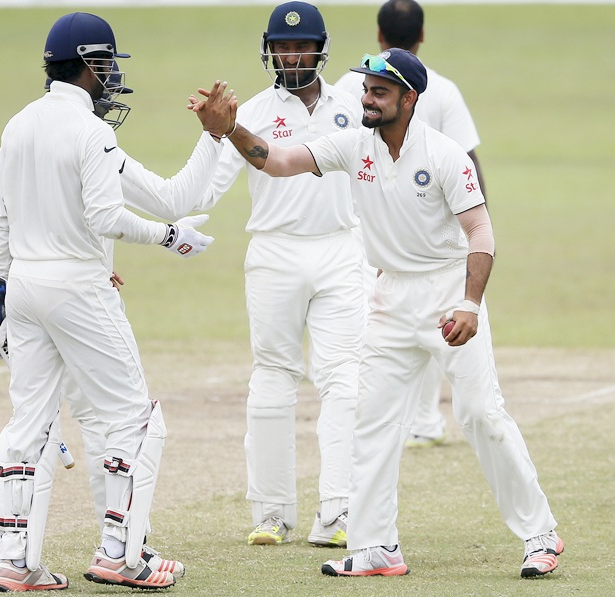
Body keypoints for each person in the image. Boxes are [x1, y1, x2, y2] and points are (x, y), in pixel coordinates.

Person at [196, 48, 562, 579]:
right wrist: (231, 130)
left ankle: (540, 536)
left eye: (380, 92)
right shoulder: (353, 145)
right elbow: (277, 161)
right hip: (389, 297)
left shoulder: (445, 155)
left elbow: (480, 234)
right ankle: (376, 546)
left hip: (446, 293)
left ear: (409, 99)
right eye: (367, 89)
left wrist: (470, 304)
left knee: (481, 414)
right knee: (373, 422)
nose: (367, 98)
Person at [0, 12, 235, 592]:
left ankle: (17, 565)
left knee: (29, 427)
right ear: (90, 63)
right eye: (110, 63)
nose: (115, 75)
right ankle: (122, 554)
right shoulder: (92, 132)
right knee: (137, 423)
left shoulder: (18, 126)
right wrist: (168, 239)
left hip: (23, 287)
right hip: (76, 287)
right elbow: (104, 218)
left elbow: (174, 197)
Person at [190, 1, 365, 548]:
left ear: (321, 49)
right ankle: (272, 514)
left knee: (343, 380)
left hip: (342, 249)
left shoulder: (355, 105)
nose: (291, 55)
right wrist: (168, 232)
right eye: (282, 46)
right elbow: (205, 189)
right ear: (270, 51)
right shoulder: (253, 113)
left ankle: (336, 512)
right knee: (272, 378)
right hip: (274, 252)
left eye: (301, 46)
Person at [334, 0, 488, 448]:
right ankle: (421, 420)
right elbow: (471, 161)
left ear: (379, 36)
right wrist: (480, 230)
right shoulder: (442, 88)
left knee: (394, 325)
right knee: (411, 329)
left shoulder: (348, 84)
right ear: (421, 37)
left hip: (367, 232)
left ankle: (415, 421)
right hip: (429, 237)